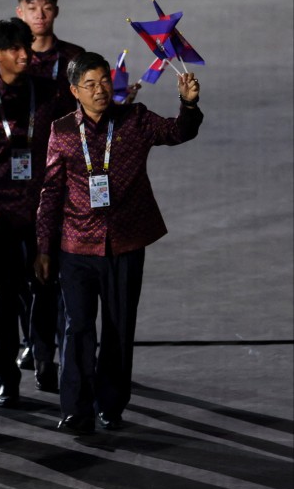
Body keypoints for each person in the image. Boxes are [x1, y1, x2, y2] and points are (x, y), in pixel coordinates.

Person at [35, 52, 202, 433]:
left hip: (125, 244)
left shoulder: (135, 119)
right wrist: (44, 248)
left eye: (104, 81)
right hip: (75, 246)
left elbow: (179, 132)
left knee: (117, 328)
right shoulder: (61, 131)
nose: (100, 90)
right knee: (77, 328)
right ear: (74, 91)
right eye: (90, 85)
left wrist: (188, 104)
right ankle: (75, 409)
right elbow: (50, 192)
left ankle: (110, 405)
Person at [0, 19, 78, 405]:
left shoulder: (50, 92)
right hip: (0, 211)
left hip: (45, 206)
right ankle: (5, 377)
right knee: (5, 294)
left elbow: (72, 137)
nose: (25, 55)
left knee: (47, 285)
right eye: (15, 49)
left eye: (27, 47)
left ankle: (45, 359)